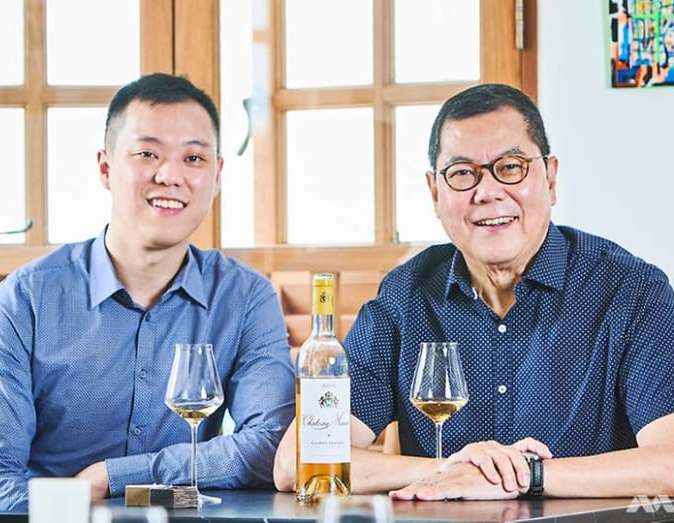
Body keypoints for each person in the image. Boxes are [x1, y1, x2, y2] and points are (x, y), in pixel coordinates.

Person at [274, 83, 674, 500]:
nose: (487, 192)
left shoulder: (632, 291)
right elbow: (297, 461)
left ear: (551, 178)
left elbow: (669, 462)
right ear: (435, 193)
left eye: (511, 166)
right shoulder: (404, 296)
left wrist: (528, 475)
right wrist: (451, 470)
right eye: (463, 174)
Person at [0, 73, 295, 511]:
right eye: (148, 153)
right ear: (106, 168)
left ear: (217, 176)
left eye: (193, 158)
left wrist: (113, 478)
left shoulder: (244, 298)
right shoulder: (23, 302)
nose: (170, 176)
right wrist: (86, 509)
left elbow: (271, 446)